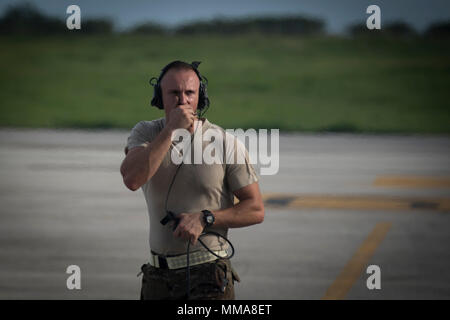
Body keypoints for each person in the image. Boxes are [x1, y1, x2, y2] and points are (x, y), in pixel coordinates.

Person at [120, 60, 264, 300]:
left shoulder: (224, 143)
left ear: (201, 97)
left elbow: (255, 209)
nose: (182, 100)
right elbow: (132, 179)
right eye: (174, 93)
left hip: (207, 275)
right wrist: (171, 130)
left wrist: (206, 217)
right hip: (157, 276)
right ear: (160, 98)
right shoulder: (146, 133)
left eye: (190, 93)